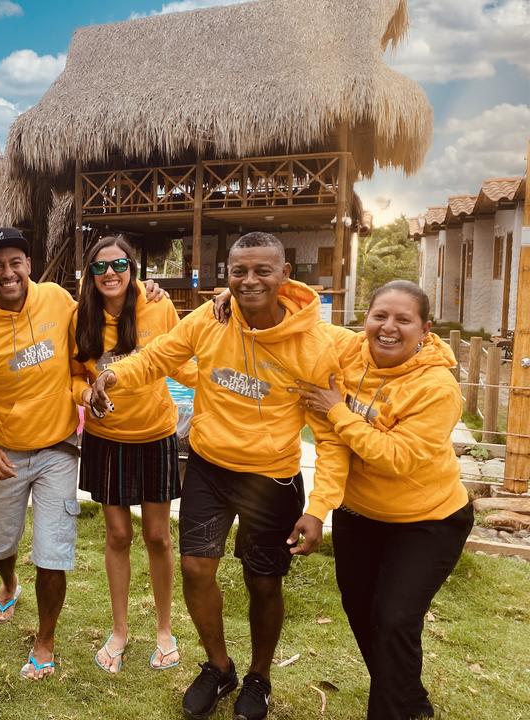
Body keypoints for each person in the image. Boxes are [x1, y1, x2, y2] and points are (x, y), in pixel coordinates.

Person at [90, 231, 345, 720]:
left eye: (262, 271)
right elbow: (158, 356)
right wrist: (112, 376)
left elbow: (329, 439)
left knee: (263, 581)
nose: (249, 281)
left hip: (271, 477)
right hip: (209, 467)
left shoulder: (314, 344)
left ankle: (259, 678)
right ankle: (218, 666)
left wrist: (318, 508)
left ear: (284, 275)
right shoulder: (210, 317)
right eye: (238, 272)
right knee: (195, 569)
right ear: (225, 276)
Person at [0, 226, 170, 680]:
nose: (8, 273)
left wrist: (153, 290)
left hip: (59, 448)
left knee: (53, 552)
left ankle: (45, 642)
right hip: (6, 452)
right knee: (1, 544)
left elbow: (102, 331)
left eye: (15, 262)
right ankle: (9, 583)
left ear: (28, 266)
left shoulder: (56, 300)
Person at [291, 280, 473, 720]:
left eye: (403, 319)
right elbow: (297, 320)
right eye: (380, 316)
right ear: (365, 320)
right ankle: (409, 702)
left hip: (428, 519)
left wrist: (338, 411)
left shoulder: (437, 389)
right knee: (362, 611)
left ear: (425, 330)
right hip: (361, 514)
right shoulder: (349, 349)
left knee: (394, 619)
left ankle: (394, 710)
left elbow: (398, 458)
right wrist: (227, 299)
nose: (389, 327)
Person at [70, 235, 196, 674]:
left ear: (132, 267)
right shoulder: (79, 315)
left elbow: (179, 361)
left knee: (158, 536)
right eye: (100, 267)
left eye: (119, 264)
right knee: (118, 535)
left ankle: (164, 629)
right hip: (107, 439)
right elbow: (71, 377)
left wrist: (218, 376)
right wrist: (87, 394)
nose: (110, 274)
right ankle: (119, 630)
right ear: (89, 274)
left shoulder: (158, 305)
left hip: (156, 434)